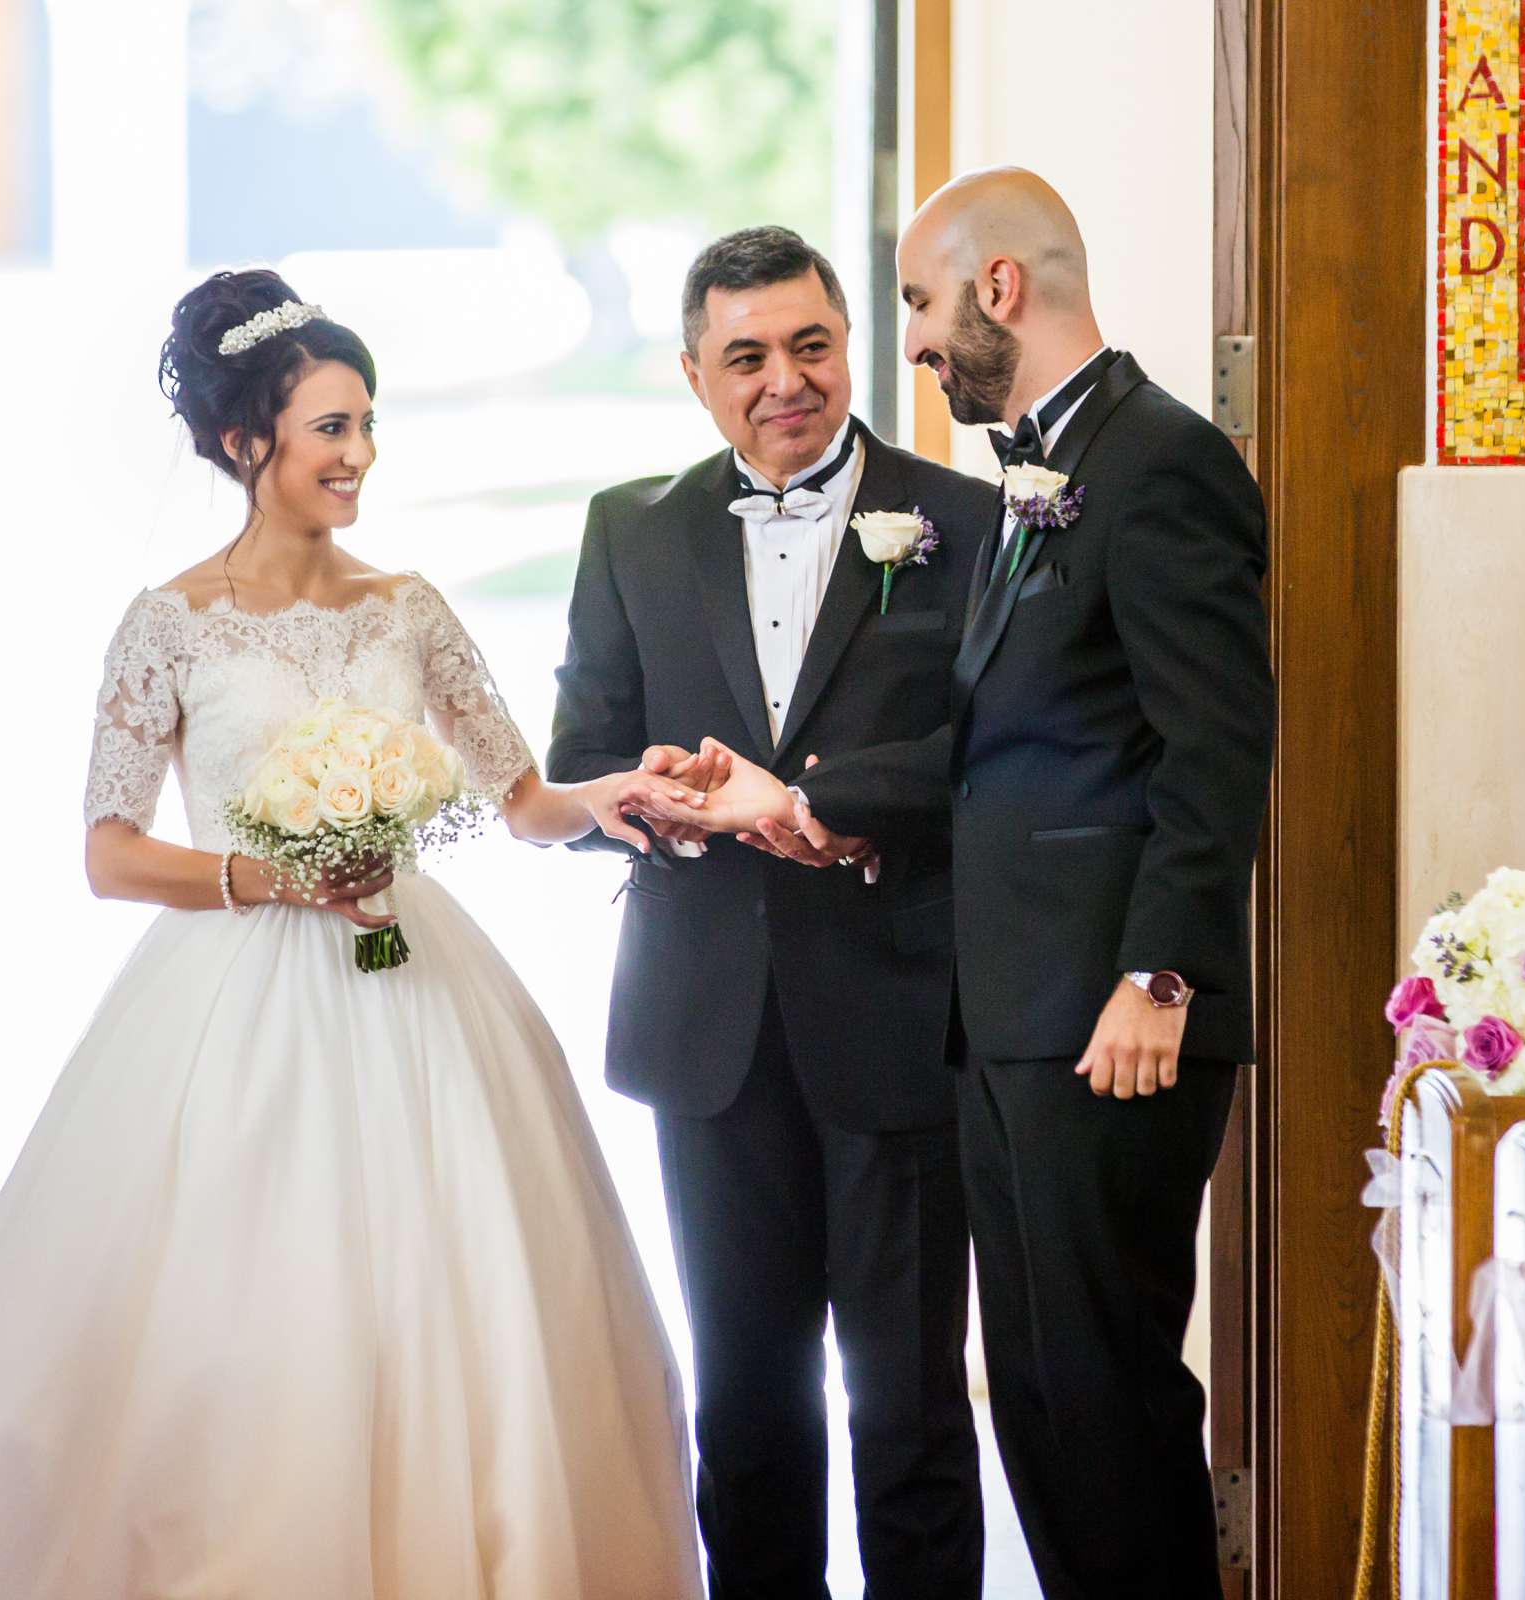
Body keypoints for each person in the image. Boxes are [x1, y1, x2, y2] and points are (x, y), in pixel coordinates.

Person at [0, 269, 701, 1600]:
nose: (361, 455)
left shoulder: (410, 606)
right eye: (332, 428)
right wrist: (269, 879)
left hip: (416, 985)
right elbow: (109, 853)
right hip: (233, 1001)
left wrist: (619, 799)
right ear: (242, 442)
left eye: (367, 424)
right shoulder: (166, 626)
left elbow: (522, 800)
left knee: (458, 1314)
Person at [639, 171, 1275, 1600]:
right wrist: (799, 800)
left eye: (919, 305)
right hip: (1012, 1022)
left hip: (1110, 1019)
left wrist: (1158, 973)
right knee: (1042, 1403)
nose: (911, 346)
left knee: (1107, 1403)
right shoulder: (1048, 470)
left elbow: (1219, 750)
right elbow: (988, 756)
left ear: (999, 289)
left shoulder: (1160, 460)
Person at [548, 226, 994, 1600]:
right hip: (710, 1027)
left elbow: (995, 756)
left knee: (910, 1406)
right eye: (746, 356)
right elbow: (582, 762)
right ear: (696, 375)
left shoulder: (965, 521)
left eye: (810, 345)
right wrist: (668, 795)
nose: (784, 381)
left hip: (902, 1011)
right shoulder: (632, 529)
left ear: (849, 343)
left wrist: (828, 804)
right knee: (745, 1407)